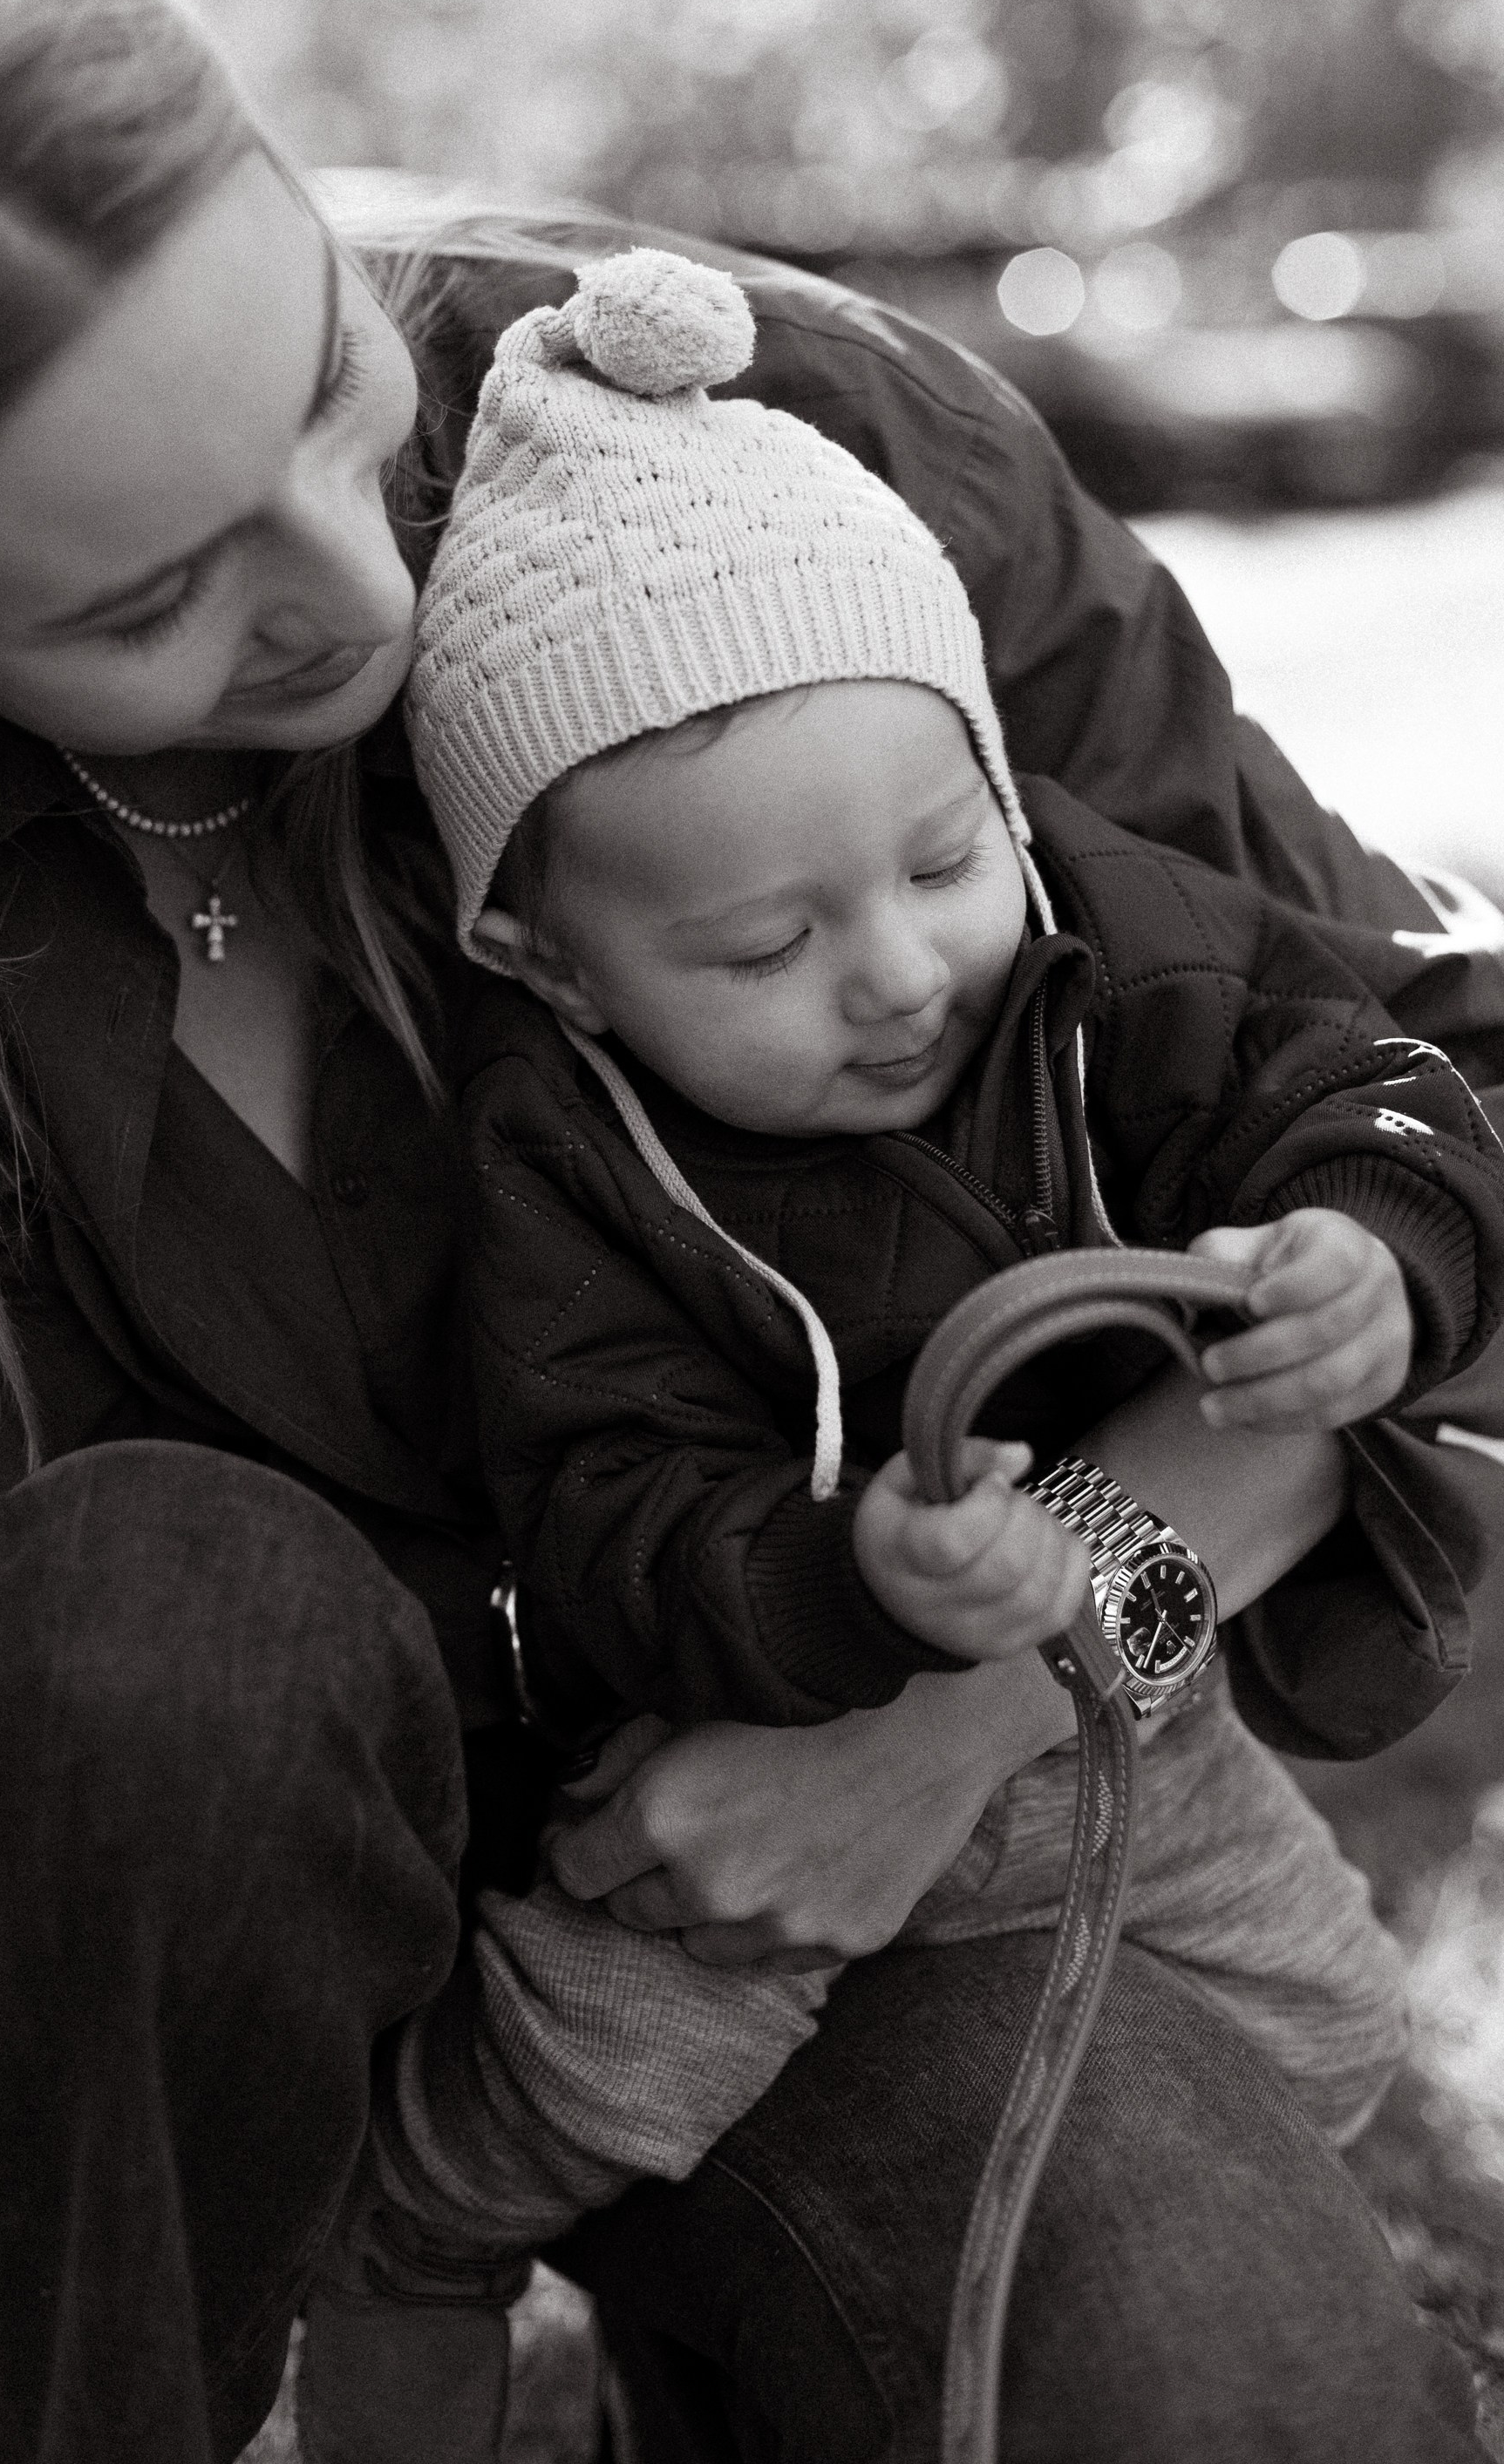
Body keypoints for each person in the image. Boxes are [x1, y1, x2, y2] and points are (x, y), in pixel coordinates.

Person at [0, 0, 1495, 2461]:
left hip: (879, 1823)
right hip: (216, 1868)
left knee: (1234, 2407)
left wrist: (962, 1718)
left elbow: (1416, 1110)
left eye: (324, 380)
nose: (356, 589)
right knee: (139, 1636)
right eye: (152, 597)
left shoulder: (782, 466)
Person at [297, 250, 1504, 2450]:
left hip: (1121, 1700)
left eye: (942, 856)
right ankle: (395, 2257)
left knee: (1332, 2028)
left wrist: (1372, 1249)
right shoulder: (567, 1169)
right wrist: (849, 1579)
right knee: (569, 2086)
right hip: (744, 1771)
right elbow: (604, 1511)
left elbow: (1379, 1083)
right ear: (550, 966)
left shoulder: (1100, 943)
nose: (896, 974)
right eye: (762, 943)